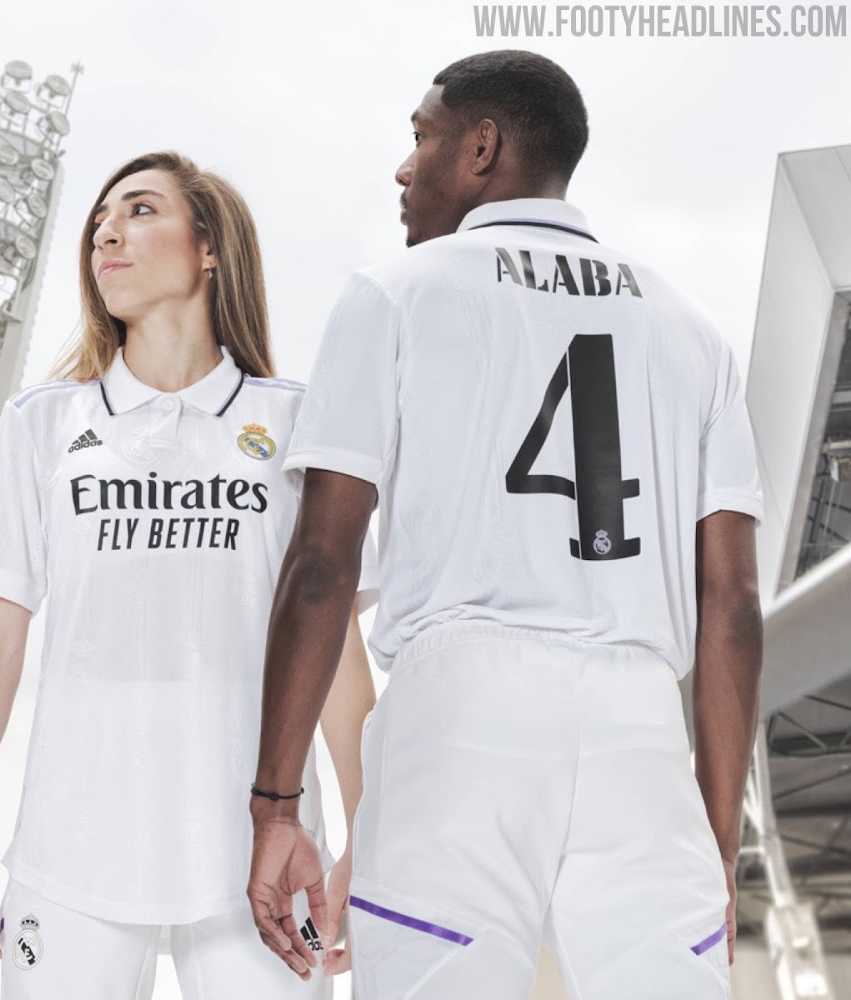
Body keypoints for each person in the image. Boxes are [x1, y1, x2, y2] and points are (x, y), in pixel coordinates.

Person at [247, 50, 763, 1000]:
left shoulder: (395, 291)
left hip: (461, 713)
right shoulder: (692, 326)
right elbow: (731, 602)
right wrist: (714, 844)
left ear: (481, 148)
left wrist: (277, 803)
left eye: (422, 136)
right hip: (641, 724)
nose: (404, 167)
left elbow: (322, 562)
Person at [0, 151, 378, 999]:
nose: (107, 235)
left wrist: (368, 832)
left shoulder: (297, 421)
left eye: (138, 211)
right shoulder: (41, 425)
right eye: (99, 223)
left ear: (209, 247)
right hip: (72, 853)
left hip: (263, 857)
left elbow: (336, 647)